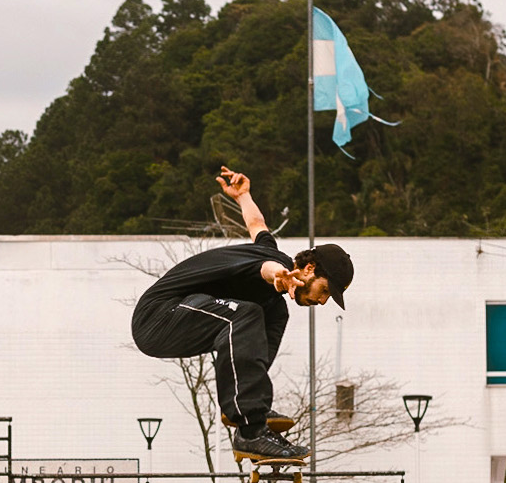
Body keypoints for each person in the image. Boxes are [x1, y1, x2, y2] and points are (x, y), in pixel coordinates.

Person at [130, 168, 354, 466]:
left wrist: (242, 195)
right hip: (158, 316)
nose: (322, 301)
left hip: (184, 318)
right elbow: (267, 270)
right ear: (310, 270)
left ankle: (248, 402)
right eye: (324, 291)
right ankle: (250, 429)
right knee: (247, 314)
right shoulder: (273, 265)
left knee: (274, 313)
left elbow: (256, 224)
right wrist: (281, 278)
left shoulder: (267, 249)